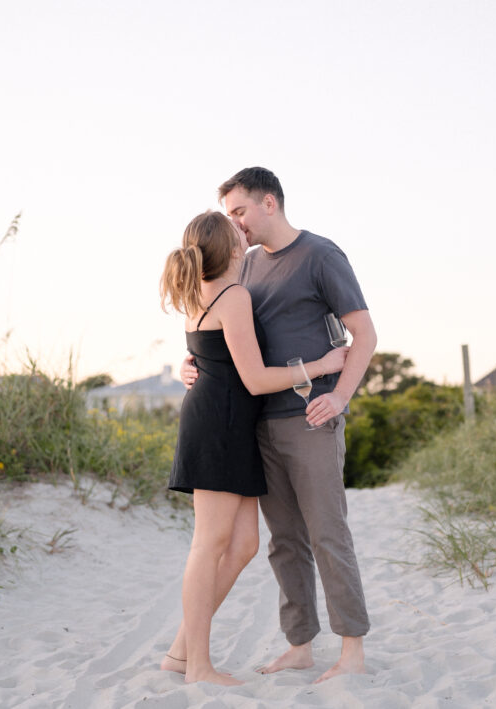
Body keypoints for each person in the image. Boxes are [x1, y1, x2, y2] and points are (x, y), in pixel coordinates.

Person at [181, 167, 377, 683]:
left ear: (270, 203)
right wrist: (192, 365)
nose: (235, 224)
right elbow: (222, 333)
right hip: (257, 424)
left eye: (240, 211)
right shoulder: (240, 267)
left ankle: (351, 651)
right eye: (229, 216)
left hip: (309, 418)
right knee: (284, 541)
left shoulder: (320, 255)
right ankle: (300, 645)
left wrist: (339, 396)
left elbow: (365, 335)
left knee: (327, 533)